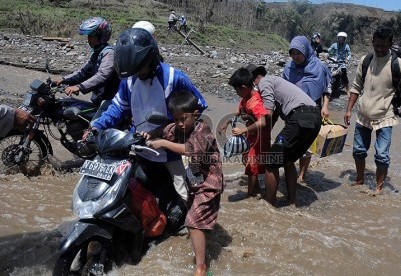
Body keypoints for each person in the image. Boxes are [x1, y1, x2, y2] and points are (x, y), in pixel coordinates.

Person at [90, 28, 208, 203]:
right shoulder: (128, 79)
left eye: (140, 69)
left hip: (171, 149)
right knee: (125, 187)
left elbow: (198, 106)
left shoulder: (174, 78)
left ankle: (191, 222)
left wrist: (168, 129)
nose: (137, 74)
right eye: (133, 71)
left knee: (184, 191)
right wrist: (97, 125)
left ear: (151, 59)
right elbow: (117, 108)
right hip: (138, 143)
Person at [146, 90, 223, 276]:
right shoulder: (177, 127)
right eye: (177, 119)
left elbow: (190, 150)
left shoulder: (201, 129)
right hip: (194, 182)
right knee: (195, 216)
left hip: (209, 183)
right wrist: (147, 135)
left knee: (193, 222)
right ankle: (204, 239)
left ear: (195, 115)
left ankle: (201, 267)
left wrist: (163, 143)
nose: (180, 123)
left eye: (184, 119)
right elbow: (163, 130)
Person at [344, 26, 401, 196]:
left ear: (390, 44)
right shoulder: (365, 60)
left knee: (382, 155)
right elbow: (356, 86)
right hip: (363, 115)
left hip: (385, 116)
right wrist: (348, 110)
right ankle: (360, 179)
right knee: (358, 151)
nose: (381, 49)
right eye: (377, 45)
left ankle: (379, 188)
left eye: (384, 46)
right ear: (372, 43)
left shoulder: (398, 64)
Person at [245, 64, 322, 206]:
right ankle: (291, 201)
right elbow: (272, 118)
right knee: (288, 160)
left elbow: (267, 112)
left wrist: (250, 129)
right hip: (315, 119)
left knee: (270, 160)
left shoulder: (264, 82)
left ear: (253, 80)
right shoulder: (276, 82)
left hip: (300, 117)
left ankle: (268, 205)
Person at [283, 35, 332, 183]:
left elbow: (327, 88)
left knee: (306, 145)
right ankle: (290, 172)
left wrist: (325, 106)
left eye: (298, 53)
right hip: (292, 110)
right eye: (292, 53)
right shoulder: (288, 67)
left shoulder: (318, 67)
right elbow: (282, 87)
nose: (295, 57)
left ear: (306, 51)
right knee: (291, 143)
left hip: (311, 110)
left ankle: (302, 174)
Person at [52, 17, 119, 121]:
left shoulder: (109, 53)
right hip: (98, 101)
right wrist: (63, 80)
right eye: (88, 36)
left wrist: (79, 87)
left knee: (93, 130)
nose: (88, 39)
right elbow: (83, 72)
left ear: (101, 36)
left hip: (110, 102)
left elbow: (102, 76)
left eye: (91, 36)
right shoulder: (98, 53)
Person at [221, 68, 270, 197]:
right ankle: (257, 188)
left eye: (236, 90)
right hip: (250, 136)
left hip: (259, 137)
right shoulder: (246, 97)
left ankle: (249, 194)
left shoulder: (255, 102)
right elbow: (240, 110)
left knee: (251, 165)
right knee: (246, 160)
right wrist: (226, 122)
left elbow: (262, 122)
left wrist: (243, 130)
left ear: (243, 88)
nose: (236, 93)